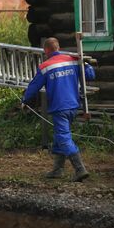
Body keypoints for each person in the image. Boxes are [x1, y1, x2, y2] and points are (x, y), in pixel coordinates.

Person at [22, 37, 95, 182]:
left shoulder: (45, 66)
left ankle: (80, 169)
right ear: (58, 47)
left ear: (46, 50)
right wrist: (85, 63)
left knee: (63, 137)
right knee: (59, 136)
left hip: (59, 107)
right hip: (73, 105)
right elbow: (90, 75)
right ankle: (58, 169)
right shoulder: (72, 60)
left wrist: (25, 100)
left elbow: (34, 86)